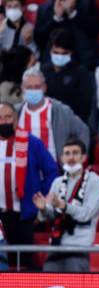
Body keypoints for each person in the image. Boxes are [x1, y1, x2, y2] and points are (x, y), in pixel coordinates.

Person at [33, 138, 99, 272]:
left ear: (84, 157)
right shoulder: (57, 182)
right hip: (56, 247)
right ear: (61, 158)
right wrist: (43, 209)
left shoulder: (96, 181)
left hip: (79, 249)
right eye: (67, 153)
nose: (71, 157)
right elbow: (49, 216)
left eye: (75, 153)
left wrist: (63, 205)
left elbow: (86, 214)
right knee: (47, 282)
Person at [0, 102, 57, 267]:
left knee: (24, 263)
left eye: (8, 117)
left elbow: (51, 170)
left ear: (16, 120)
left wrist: (42, 199)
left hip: (23, 214)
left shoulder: (31, 142)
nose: (3, 122)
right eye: (0, 118)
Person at [19, 68, 90, 162]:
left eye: (37, 87)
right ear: (22, 88)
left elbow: (83, 130)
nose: (33, 91)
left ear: (44, 87)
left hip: (55, 169)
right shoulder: (15, 112)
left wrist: (79, 157)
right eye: (29, 87)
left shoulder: (61, 111)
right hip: (24, 169)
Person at [41, 28, 95, 123]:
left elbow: (85, 107)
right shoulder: (43, 71)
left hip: (71, 124)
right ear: (50, 51)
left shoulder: (81, 74)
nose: (59, 56)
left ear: (71, 53)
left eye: (64, 53)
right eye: (56, 52)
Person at [34, 0, 99, 70]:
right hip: (54, 68)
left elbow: (95, 30)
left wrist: (73, 13)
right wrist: (56, 18)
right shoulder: (44, 9)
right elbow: (40, 41)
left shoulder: (87, 4)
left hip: (85, 64)